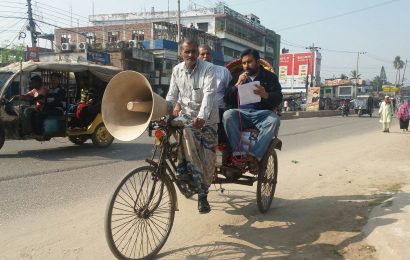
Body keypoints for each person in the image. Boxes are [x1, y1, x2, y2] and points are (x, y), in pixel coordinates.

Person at [166, 39, 218, 214]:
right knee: (183, 132)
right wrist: (164, 112)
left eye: (194, 52)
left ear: (198, 53)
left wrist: (202, 116)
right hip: (187, 119)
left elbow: (209, 94)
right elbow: (172, 95)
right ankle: (184, 170)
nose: (191, 55)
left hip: (207, 120)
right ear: (181, 53)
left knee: (208, 161)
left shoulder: (208, 69)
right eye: (187, 52)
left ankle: (203, 194)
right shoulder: (176, 70)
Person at [223, 49, 282, 163]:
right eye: (244, 63)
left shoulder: (270, 77)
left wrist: (266, 95)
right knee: (227, 115)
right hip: (242, 114)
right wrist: (237, 84)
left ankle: (254, 156)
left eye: (249, 62)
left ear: (258, 62)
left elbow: (278, 97)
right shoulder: (237, 77)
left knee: (274, 120)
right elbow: (226, 98)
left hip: (262, 114)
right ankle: (239, 153)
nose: (246, 65)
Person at [197, 44, 232, 144]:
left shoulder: (223, 71)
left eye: (208, 53)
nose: (205, 56)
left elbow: (230, 92)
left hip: (218, 109)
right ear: (197, 56)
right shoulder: (193, 72)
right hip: (197, 109)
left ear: (211, 56)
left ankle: (223, 150)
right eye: (202, 54)